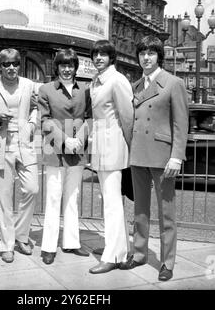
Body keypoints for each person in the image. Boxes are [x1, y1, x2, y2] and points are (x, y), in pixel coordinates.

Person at [120, 35, 189, 281]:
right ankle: (139, 253)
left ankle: (167, 262)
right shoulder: (136, 85)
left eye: (151, 53)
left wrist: (177, 157)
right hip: (138, 154)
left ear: (159, 56)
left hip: (163, 157)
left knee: (166, 213)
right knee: (139, 209)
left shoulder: (173, 83)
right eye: (142, 53)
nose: (146, 58)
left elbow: (181, 124)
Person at [0, 48, 39, 263]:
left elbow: (38, 106)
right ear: (0, 66)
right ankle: (6, 244)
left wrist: (33, 123)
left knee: (32, 188)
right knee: (5, 196)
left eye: (15, 63)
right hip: (2, 144)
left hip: (25, 142)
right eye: (6, 64)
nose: (11, 68)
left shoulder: (29, 84)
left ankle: (21, 235)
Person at [38, 48, 91, 265]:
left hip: (77, 149)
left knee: (72, 197)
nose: (67, 69)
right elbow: (44, 120)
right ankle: (49, 247)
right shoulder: (46, 89)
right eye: (63, 65)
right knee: (53, 198)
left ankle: (71, 243)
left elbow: (90, 118)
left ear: (75, 67)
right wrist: (64, 139)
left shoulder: (85, 90)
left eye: (70, 65)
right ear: (57, 67)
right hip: (54, 150)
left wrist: (79, 137)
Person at [88, 40, 134, 274]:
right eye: (95, 54)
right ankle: (121, 250)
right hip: (102, 148)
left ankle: (113, 256)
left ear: (111, 57)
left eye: (103, 54)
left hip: (114, 148)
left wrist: (129, 148)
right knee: (111, 201)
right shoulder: (95, 82)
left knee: (113, 204)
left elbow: (128, 117)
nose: (98, 58)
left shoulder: (117, 80)